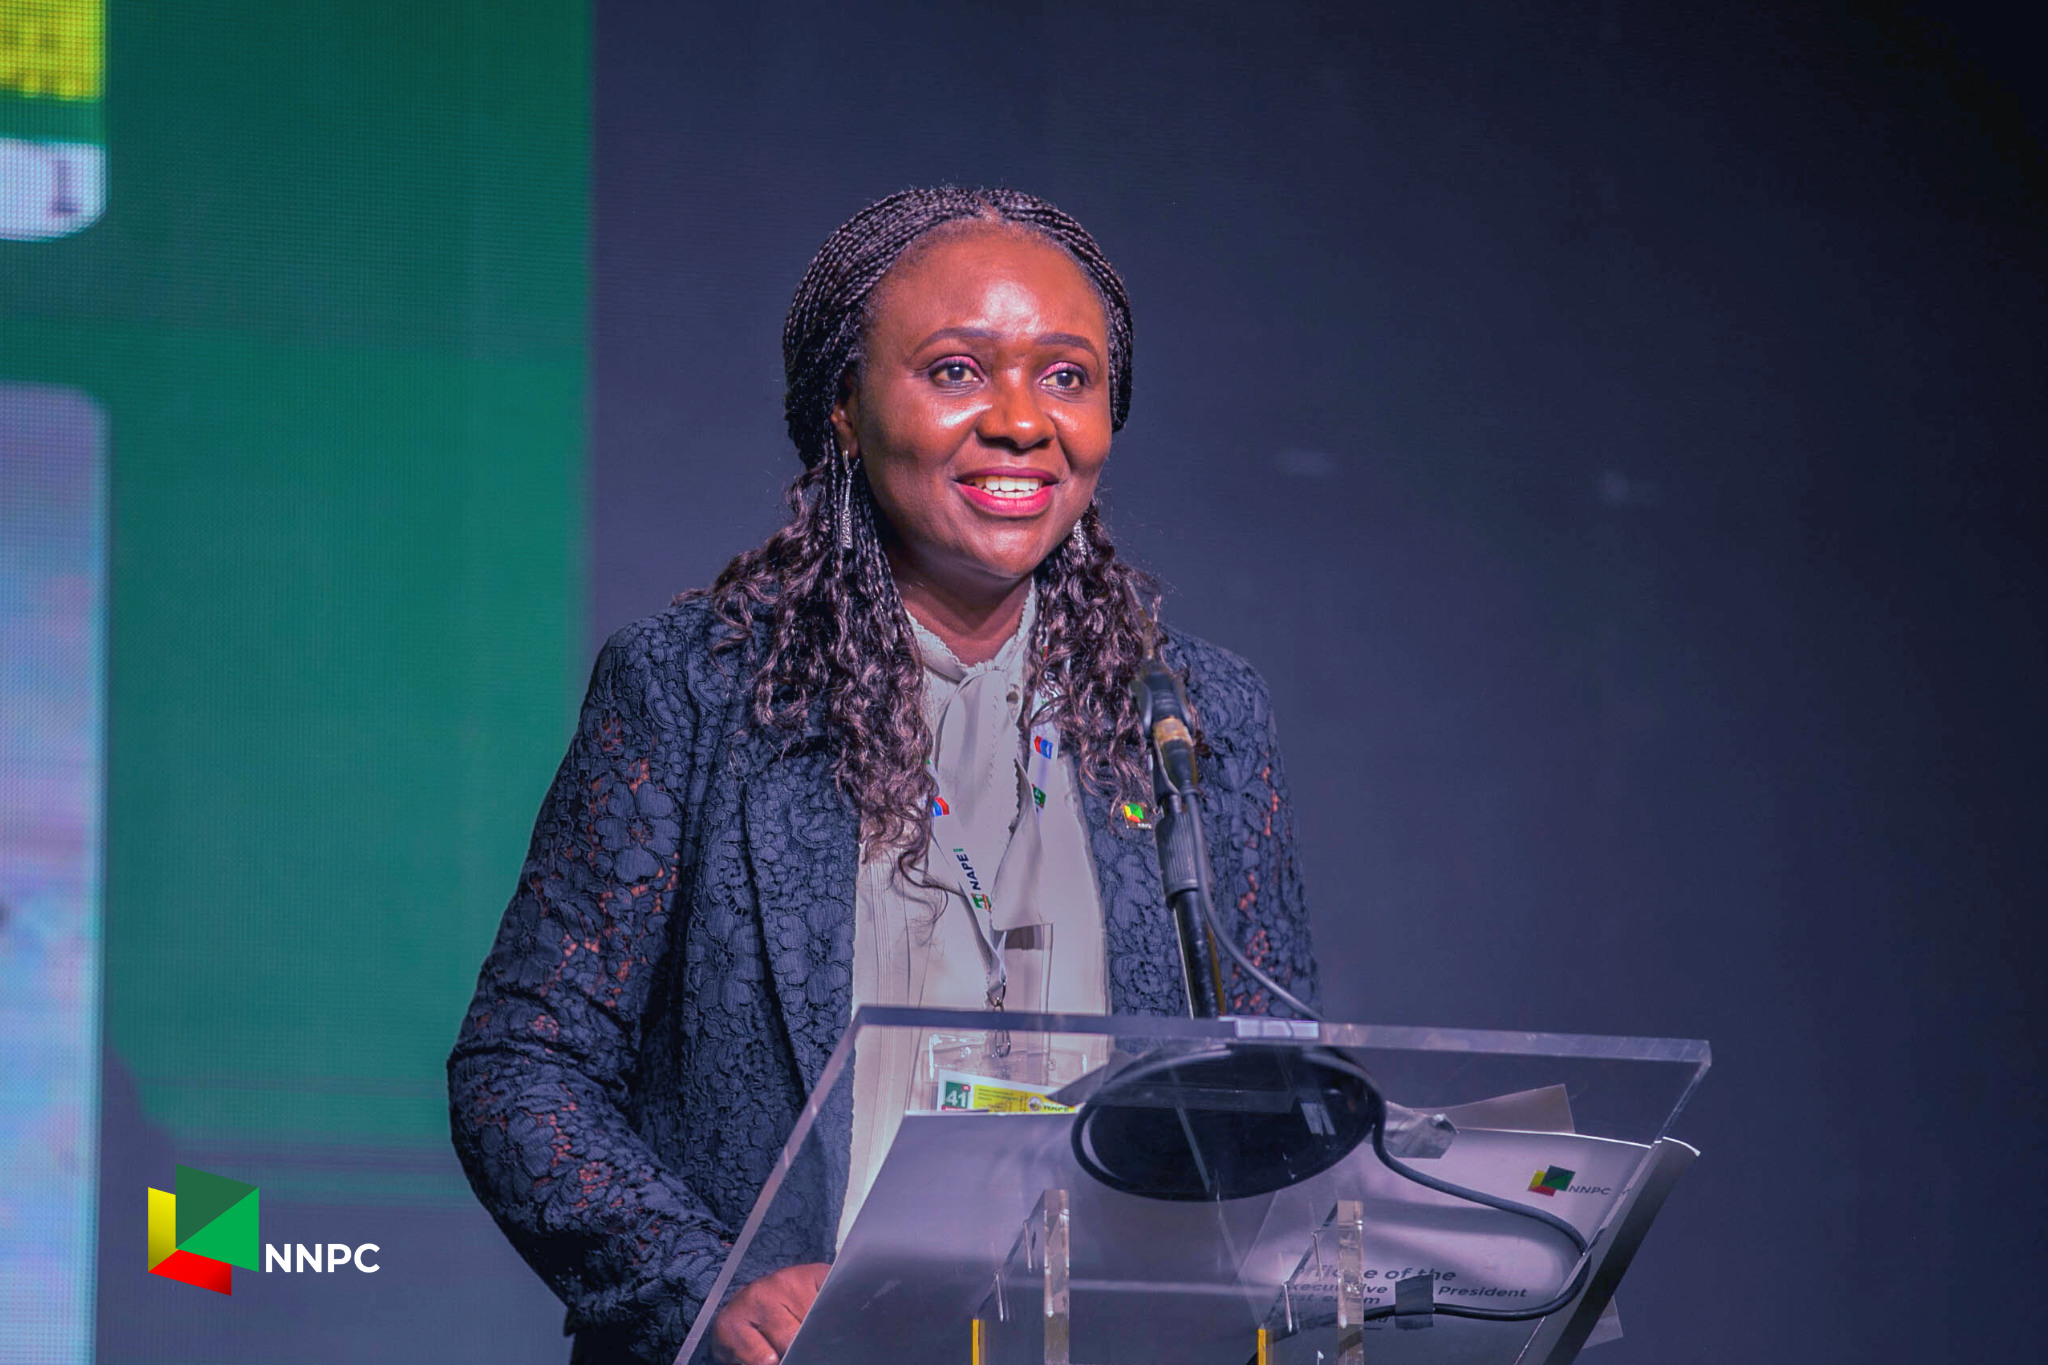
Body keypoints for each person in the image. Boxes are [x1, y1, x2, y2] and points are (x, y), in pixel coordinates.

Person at [448, 186, 1319, 1365]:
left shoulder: (1191, 717)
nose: (1022, 421)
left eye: (1066, 378)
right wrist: (706, 1289)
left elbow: (1280, 1094)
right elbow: (524, 1067)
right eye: (956, 371)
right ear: (844, 410)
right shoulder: (700, 689)